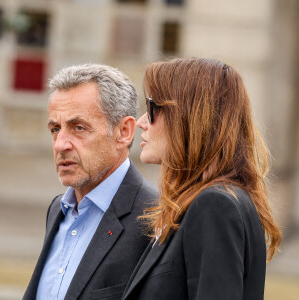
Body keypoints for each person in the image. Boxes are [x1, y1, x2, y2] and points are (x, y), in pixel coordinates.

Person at [121, 58, 282, 300]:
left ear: (189, 117)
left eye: (152, 107)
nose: (142, 122)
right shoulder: (215, 199)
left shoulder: (215, 205)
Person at [23, 64, 157, 300]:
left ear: (124, 131)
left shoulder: (156, 216)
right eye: (55, 129)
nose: (60, 145)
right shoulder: (58, 209)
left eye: (79, 128)